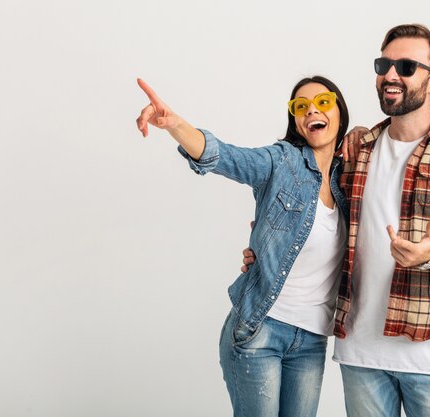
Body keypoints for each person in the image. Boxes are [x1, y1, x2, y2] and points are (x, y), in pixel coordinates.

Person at [243, 23, 430, 417]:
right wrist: (266, 247)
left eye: (405, 66)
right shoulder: (356, 149)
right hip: (361, 355)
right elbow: (313, 215)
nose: (390, 75)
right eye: (383, 64)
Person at [135, 75, 350, 417]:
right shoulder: (282, 162)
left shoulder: (350, 178)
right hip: (260, 329)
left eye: (322, 102)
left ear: (339, 110)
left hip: (311, 339)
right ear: (295, 119)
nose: (312, 111)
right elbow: (227, 157)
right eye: (301, 107)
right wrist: (175, 124)